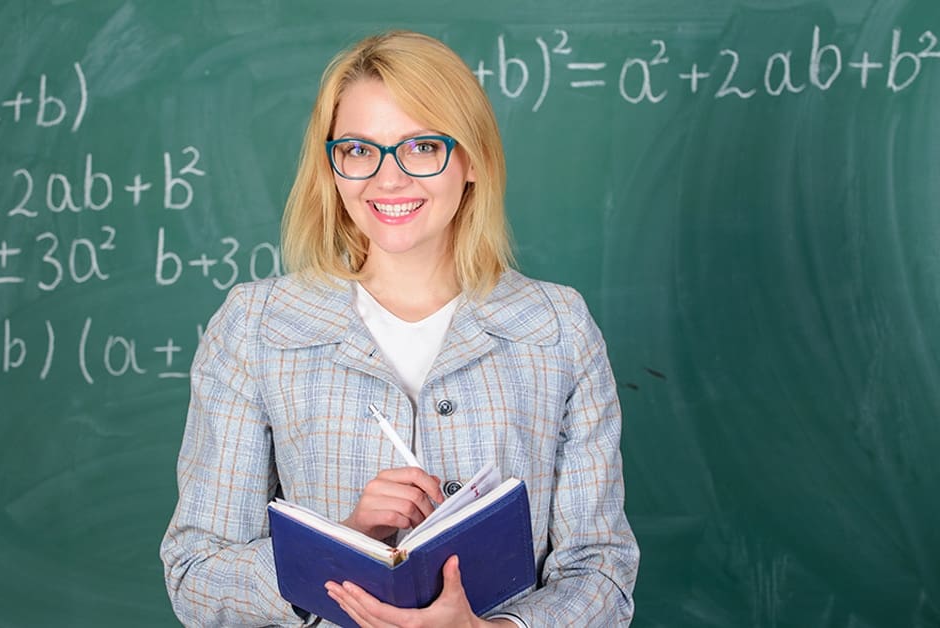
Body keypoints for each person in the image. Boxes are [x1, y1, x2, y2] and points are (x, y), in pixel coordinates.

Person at [160, 30, 639, 627]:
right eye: (359, 150)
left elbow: (602, 571)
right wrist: (338, 546)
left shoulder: (556, 328)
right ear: (331, 167)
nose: (388, 180)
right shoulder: (256, 328)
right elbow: (195, 573)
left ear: (471, 160)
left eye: (421, 147)